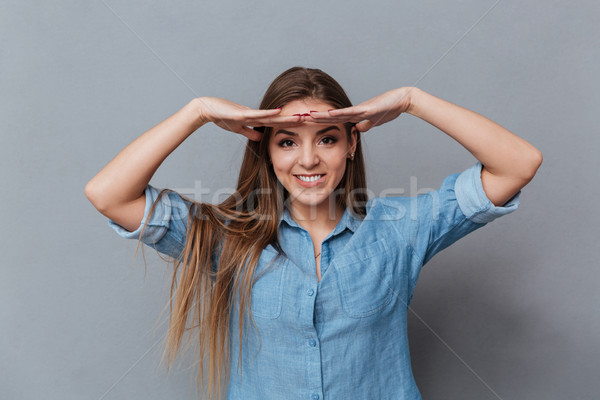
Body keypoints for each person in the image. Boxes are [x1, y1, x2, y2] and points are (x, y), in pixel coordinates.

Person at [85, 66, 542, 400]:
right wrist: (197, 112)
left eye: (327, 138)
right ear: (265, 150)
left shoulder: (400, 230)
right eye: (287, 141)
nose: (307, 160)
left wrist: (410, 99)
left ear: (351, 144)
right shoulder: (227, 238)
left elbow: (518, 164)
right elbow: (109, 194)